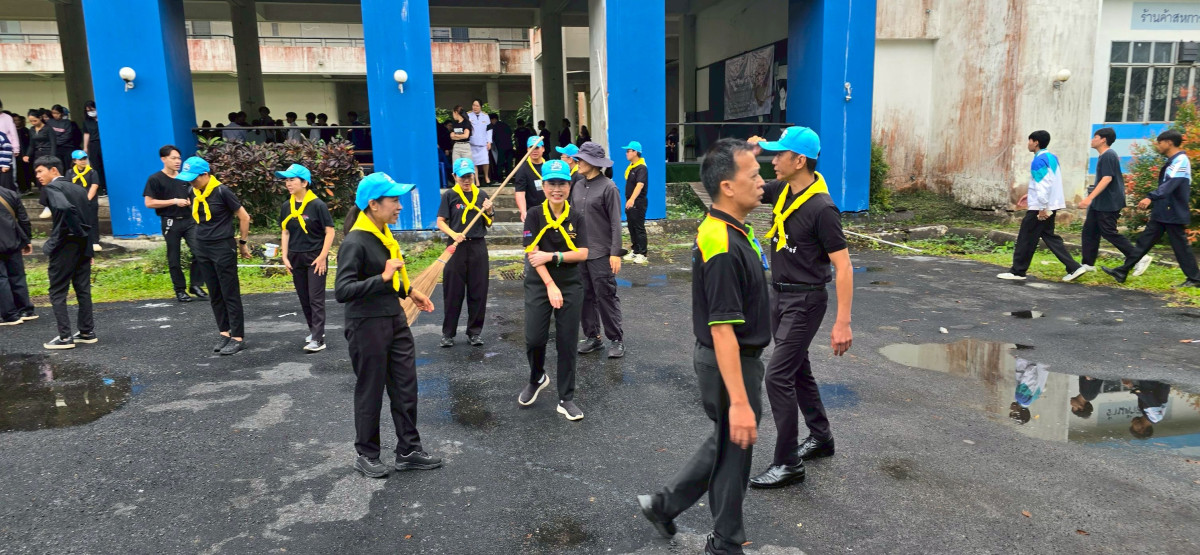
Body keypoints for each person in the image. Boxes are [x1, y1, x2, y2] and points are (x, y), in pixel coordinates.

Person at [637, 138, 771, 555]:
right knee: (735, 450)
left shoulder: (730, 229)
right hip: (730, 359)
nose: (762, 181)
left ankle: (663, 506)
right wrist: (741, 402)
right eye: (754, 175)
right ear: (727, 186)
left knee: (728, 443)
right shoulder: (722, 244)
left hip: (736, 359)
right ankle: (725, 542)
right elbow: (723, 330)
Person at [744, 127, 854, 490]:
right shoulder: (782, 190)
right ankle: (821, 437)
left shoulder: (822, 209)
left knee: (777, 376)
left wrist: (843, 322)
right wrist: (748, 154)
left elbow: (844, 266)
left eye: (780, 154)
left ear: (800, 160)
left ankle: (788, 462)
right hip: (780, 296)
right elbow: (744, 185)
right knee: (797, 369)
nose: (773, 160)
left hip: (805, 301)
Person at [335, 172, 441, 479]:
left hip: (394, 318)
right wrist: (382, 278)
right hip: (366, 325)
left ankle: (408, 450)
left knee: (405, 386)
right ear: (373, 204)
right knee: (370, 390)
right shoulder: (355, 241)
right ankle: (366, 454)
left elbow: (391, 279)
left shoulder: (383, 235)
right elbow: (343, 290)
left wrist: (409, 291)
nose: (399, 206)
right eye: (394, 200)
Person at [518, 159, 590, 420]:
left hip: (570, 283)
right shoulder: (534, 215)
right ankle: (537, 377)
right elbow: (532, 254)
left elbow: (582, 253)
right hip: (539, 282)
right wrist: (549, 284)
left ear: (569, 186)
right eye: (551, 183)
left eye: (562, 184)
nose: (557, 189)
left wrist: (553, 256)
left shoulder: (577, 217)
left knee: (567, 341)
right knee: (534, 338)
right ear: (543, 186)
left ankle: (565, 398)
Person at [1102, 129, 1200, 288]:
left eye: (1159, 143)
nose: (1158, 146)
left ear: (1169, 143)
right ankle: (1122, 271)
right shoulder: (1173, 161)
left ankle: (1195, 279)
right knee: (1144, 242)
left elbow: (1171, 185)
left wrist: (1151, 197)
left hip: (1173, 211)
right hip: (1164, 211)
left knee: (1180, 246)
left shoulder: (1181, 160)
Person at [176, 156, 252, 355]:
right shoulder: (192, 191)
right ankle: (224, 333)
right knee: (214, 293)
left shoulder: (222, 191)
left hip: (222, 247)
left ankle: (238, 337)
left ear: (206, 174)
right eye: (189, 179)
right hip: (203, 247)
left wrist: (243, 243)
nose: (192, 182)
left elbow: (244, 217)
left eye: (194, 178)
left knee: (229, 293)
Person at [997, 131, 1085, 282]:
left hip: (1041, 208)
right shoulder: (1052, 157)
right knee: (1049, 236)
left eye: (1029, 141)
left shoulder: (1038, 160)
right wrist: (1030, 195)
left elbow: (1043, 185)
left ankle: (1018, 272)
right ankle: (1074, 267)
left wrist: (1042, 207)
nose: (1028, 144)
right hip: (1051, 204)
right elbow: (1049, 182)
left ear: (1036, 142)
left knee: (1026, 237)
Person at [34, 156, 96, 350]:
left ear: (54, 170)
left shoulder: (52, 188)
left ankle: (65, 337)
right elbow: (88, 219)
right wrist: (88, 245)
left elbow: (64, 207)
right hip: (83, 245)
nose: (38, 176)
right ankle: (87, 332)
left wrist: (53, 242)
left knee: (57, 291)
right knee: (82, 289)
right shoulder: (79, 189)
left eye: (40, 171)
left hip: (65, 245)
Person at [572, 142, 626, 359]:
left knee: (606, 296)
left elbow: (615, 223)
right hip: (581, 252)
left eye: (581, 159)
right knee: (584, 295)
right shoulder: (577, 186)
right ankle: (592, 337)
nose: (577, 162)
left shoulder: (609, 187)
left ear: (593, 163)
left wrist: (615, 253)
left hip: (602, 252)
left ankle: (616, 339)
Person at [436, 158, 495, 347]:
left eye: (469, 176)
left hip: (478, 247)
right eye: (462, 177)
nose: (467, 180)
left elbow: (489, 222)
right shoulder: (450, 195)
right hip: (456, 248)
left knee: (478, 291)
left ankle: (474, 333)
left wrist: (489, 210)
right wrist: (454, 234)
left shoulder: (481, 195)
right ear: (454, 176)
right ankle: (448, 334)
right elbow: (440, 222)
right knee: (453, 292)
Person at [277, 163, 335, 353]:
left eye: (292, 180)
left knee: (315, 298)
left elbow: (330, 231)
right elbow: (285, 231)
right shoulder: (287, 206)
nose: (288, 183)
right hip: (295, 256)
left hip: (315, 256)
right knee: (304, 297)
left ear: (304, 182)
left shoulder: (317, 205)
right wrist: (284, 255)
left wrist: (323, 256)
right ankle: (314, 331)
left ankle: (318, 339)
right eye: (286, 180)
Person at [143, 146, 206, 303]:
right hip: (170, 221)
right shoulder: (155, 179)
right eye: (174, 158)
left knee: (200, 251)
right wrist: (174, 201)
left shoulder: (185, 178)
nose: (178, 161)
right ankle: (180, 290)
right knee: (174, 258)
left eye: (179, 158)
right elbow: (149, 203)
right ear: (163, 159)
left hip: (189, 220)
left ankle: (196, 285)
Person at [1077, 127, 1137, 276]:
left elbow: (1107, 178)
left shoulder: (1108, 155)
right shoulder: (1104, 155)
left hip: (1108, 201)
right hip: (1100, 202)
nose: (1092, 140)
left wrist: (1089, 198)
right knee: (1089, 231)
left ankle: (1138, 257)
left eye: (1095, 137)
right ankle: (1088, 263)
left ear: (1103, 140)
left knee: (1109, 232)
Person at [0, 180, 34, 325]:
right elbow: (23, 219)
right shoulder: (10, 194)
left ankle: (10, 315)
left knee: (1, 279)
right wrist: (27, 239)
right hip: (13, 240)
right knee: (18, 275)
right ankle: (25, 310)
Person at [621, 140, 649, 265]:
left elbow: (640, 185)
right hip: (630, 202)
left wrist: (632, 199)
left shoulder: (641, 168)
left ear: (635, 152)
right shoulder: (632, 167)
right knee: (631, 226)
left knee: (638, 227)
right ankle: (635, 250)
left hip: (638, 202)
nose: (626, 153)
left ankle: (642, 253)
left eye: (628, 151)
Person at [69, 150, 102, 251]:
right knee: (77, 221)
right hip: (75, 201)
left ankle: (95, 241)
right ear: (74, 161)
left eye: (84, 158)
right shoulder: (70, 173)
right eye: (80, 159)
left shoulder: (92, 172)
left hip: (90, 201)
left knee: (92, 221)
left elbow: (94, 186)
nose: (83, 161)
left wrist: (87, 200)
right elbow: (68, 186)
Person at [513, 136, 548, 222]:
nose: (534, 151)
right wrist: (523, 211)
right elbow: (520, 192)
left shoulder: (549, 167)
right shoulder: (522, 169)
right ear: (527, 149)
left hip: (551, 210)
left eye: (537, 148)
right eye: (531, 148)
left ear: (543, 149)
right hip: (532, 212)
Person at [467, 100, 492, 185]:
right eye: (473, 105)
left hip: (483, 142)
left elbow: (489, 130)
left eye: (477, 106)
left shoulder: (485, 116)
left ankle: (486, 177)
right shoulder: (468, 115)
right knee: (474, 163)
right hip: (472, 143)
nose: (475, 107)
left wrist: (489, 141)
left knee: (485, 161)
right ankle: (476, 180)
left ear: (481, 107)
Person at [81, 101, 104, 188]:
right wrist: (85, 147)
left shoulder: (103, 118)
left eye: (92, 110)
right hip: (93, 144)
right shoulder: (87, 122)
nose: (90, 112)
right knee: (97, 166)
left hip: (103, 143)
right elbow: (86, 134)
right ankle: (102, 186)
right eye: (88, 111)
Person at [490, 113, 513, 178]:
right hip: (509, 146)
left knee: (500, 163)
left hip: (500, 147)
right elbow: (510, 133)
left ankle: (499, 177)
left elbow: (492, 137)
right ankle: (509, 177)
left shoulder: (494, 127)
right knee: (509, 163)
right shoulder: (505, 125)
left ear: (493, 119)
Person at [0, 129, 13, 193]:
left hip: (3, 166)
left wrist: (5, 165)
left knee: (5, 189)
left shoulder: (1, 136)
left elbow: (7, 148)